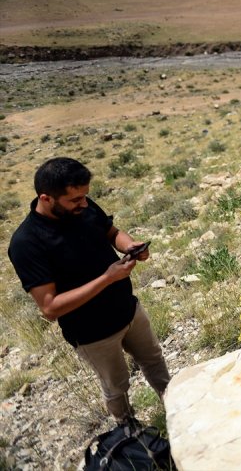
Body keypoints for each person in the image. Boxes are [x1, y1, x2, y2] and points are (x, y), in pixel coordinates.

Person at [7, 157, 170, 425]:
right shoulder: (27, 243)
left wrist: (129, 245)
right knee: (117, 387)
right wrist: (107, 278)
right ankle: (132, 439)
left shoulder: (82, 205)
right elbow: (50, 307)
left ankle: (176, 410)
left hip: (128, 310)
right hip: (93, 335)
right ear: (46, 198)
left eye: (85, 197)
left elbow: (111, 231)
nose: (83, 203)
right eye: (75, 200)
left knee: (154, 362)